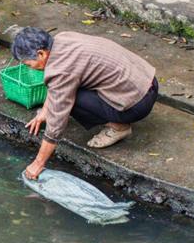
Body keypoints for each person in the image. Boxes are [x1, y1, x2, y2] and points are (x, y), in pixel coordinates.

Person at [13, 27, 159, 179]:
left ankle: (119, 127)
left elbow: (56, 122)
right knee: (66, 91)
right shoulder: (63, 37)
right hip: (147, 80)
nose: (30, 67)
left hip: (138, 103)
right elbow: (59, 81)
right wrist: (45, 110)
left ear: (41, 54)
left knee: (70, 101)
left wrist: (38, 163)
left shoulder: (60, 72)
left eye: (29, 64)